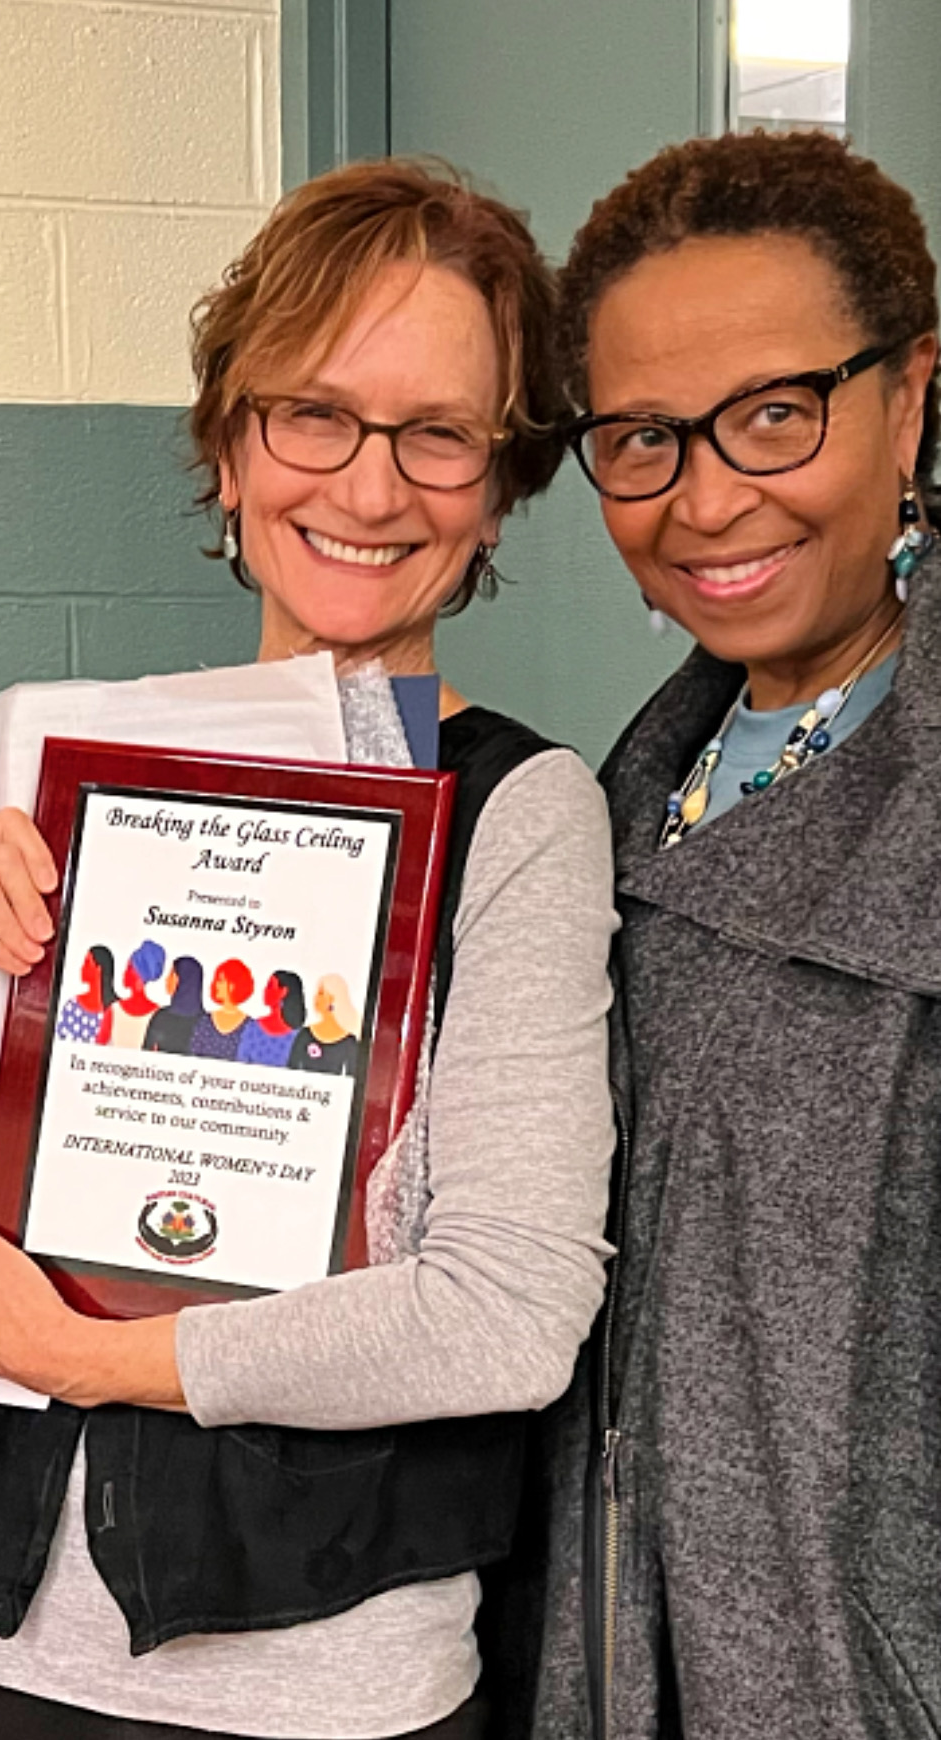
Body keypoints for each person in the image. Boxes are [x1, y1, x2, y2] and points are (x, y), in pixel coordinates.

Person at [0, 159, 618, 1740]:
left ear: (501, 485)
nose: (368, 488)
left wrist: (94, 1363)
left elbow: (504, 1312)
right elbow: (8, 1228)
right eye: (315, 416)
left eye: (438, 435)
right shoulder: (91, 765)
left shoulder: (519, 814)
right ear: (229, 447)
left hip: (317, 1680)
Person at [527, 130, 941, 1740]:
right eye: (641, 437)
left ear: (909, 398)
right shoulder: (638, 787)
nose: (707, 499)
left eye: (778, 412)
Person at [287, 973, 362, 1076]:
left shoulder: (350, 1042)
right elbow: (290, 1069)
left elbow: (352, 1077)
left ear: (333, 999)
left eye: (321, 993)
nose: (315, 997)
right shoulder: (305, 1034)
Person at [236, 968, 306, 1067]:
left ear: (283, 992)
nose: (265, 990)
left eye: (270, 986)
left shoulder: (300, 1036)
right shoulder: (252, 1028)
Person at [188, 957, 254, 1060]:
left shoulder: (250, 1026)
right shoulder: (205, 1020)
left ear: (233, 985)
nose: (216, 985)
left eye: (221, 981)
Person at [106, 940, 168, 1048]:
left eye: (129, 968)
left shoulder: (158, 1015)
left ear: (139, 975)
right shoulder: (114, 1009)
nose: (124, 972)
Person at [140, 954, 205, 1055]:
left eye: (171, 975)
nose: (166, 980)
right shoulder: (205, 1022)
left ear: (182, 979)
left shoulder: (162, 1018)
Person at [57, 946, 119, 1043]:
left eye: (87, 963)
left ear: (98, 969)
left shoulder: (117, 1010)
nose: (82, 968)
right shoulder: (72, 1006)